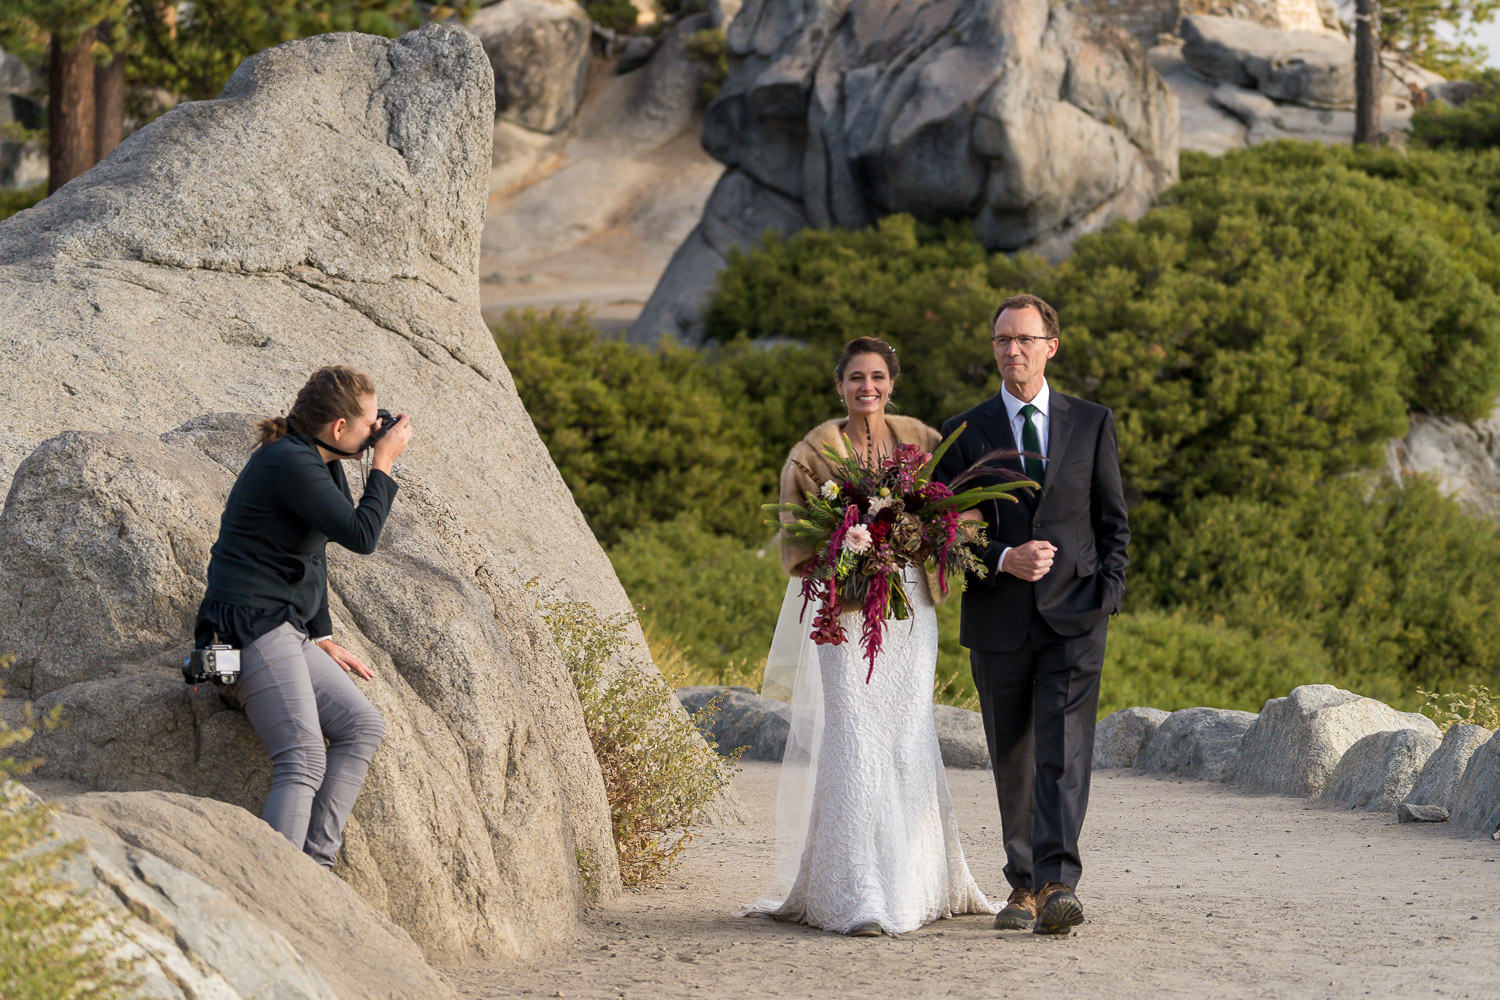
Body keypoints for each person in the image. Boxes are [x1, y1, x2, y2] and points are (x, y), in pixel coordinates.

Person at [746, 336, 997, 936]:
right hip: (847, 613)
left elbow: (961, 516)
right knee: (854, 734)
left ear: (892, 382)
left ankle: (920, 884)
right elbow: (795, 537)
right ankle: (854, 892)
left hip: (911, 613)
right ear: (840, 386)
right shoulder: (811, 454)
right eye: (856, 378)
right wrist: (848, 554)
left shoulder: (924, 441)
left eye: (878, 377)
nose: (868, 388)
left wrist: (919, 538)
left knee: (909, 730)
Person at [934, 294, 1129, 935]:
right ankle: (1021, 885)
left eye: (1023, 339)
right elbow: (945, 536)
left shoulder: (1093, 421)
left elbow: (1112, 523)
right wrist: (1002, 556)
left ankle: (1057, 884)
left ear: (1051, 345)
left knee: (1065, 752)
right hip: (999, 619)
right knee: (1012, 753)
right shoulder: (965, 431)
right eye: (1000, 341)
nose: (1011, 350)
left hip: (1077, 617)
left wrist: (1106, 595)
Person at [194, 365, 412, 869]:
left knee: (362, 725)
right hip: (243, 630)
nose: (375, 429)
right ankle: (280, 888)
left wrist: (322, 635)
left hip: (281, 628)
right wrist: (381, 464)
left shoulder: (317, 457)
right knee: (303, 756)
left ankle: (315, 868)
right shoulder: (288, 463)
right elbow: (361, 536)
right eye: (366, 423)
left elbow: (311, 555)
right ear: (338, 429)